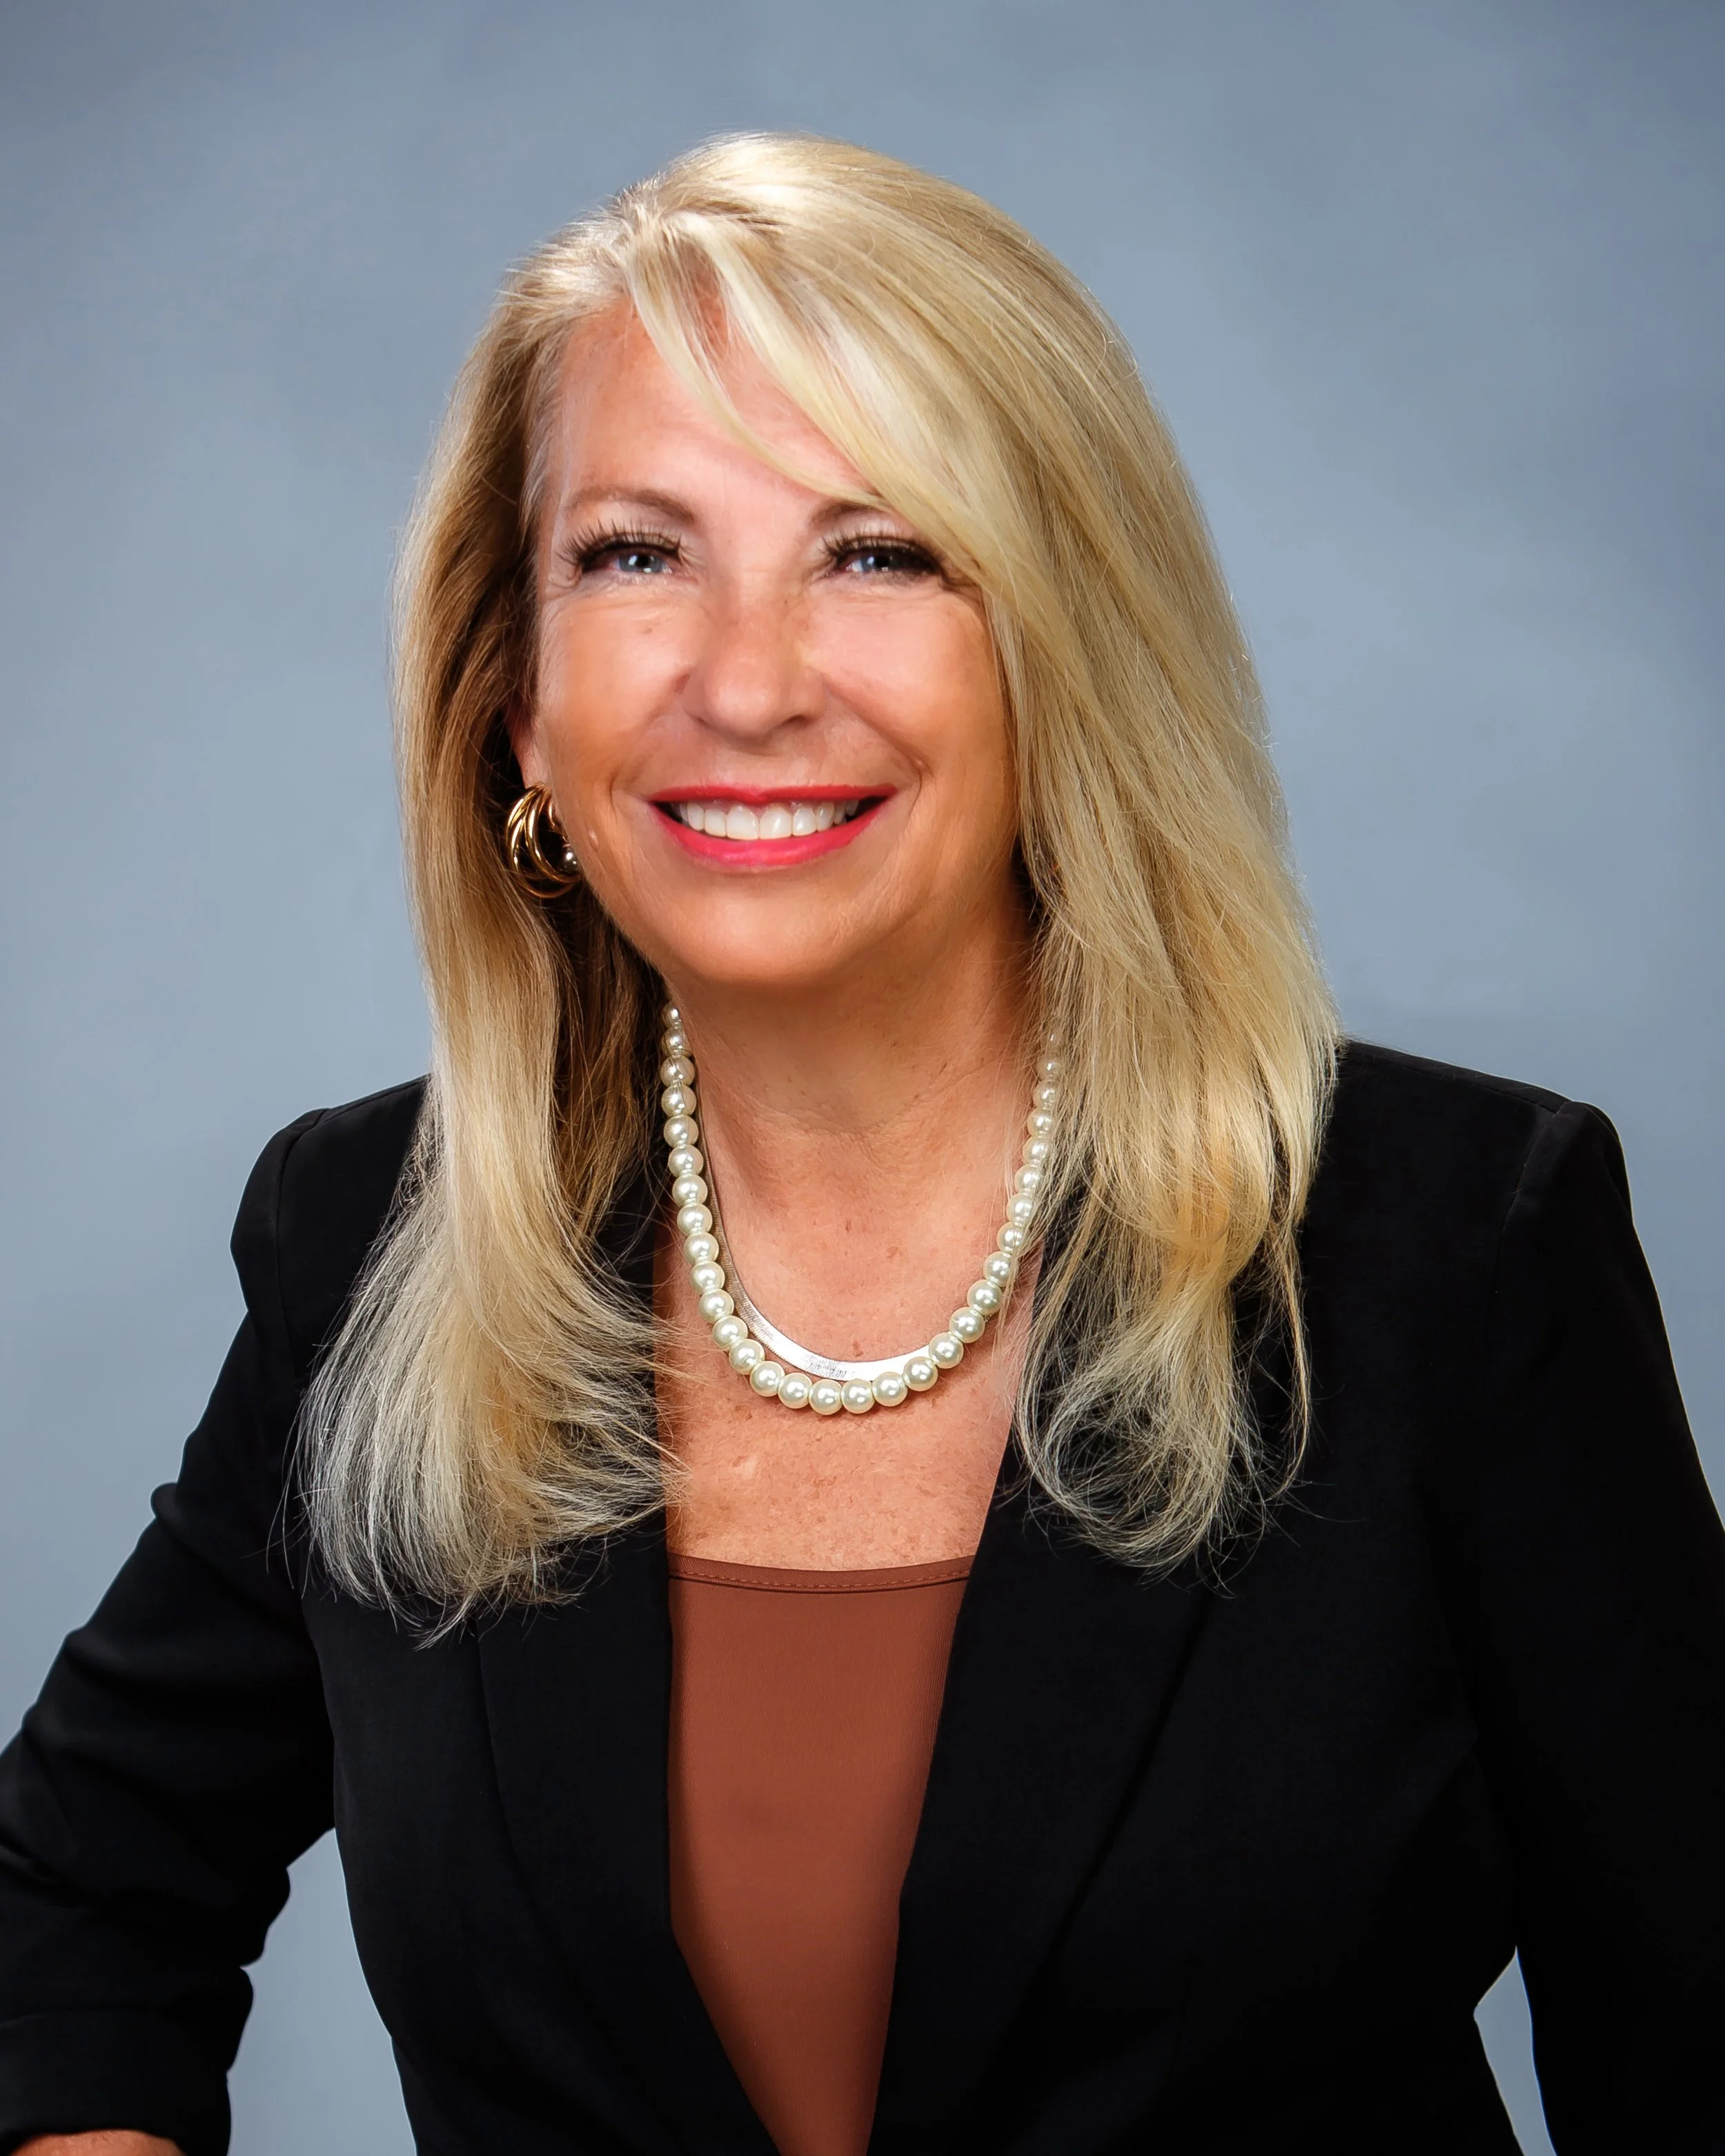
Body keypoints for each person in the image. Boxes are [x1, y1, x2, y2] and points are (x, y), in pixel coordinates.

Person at [1, 131, 1720, 2156]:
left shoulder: (1451, 1248)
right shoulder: (373, 1248)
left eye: (881, 551)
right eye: (635, 554)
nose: (746, 681)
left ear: (1065, 655)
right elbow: (70, 1910)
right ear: (515, 706)